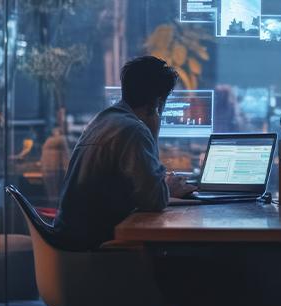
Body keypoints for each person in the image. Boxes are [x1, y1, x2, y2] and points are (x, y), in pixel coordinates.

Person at [53, 56, 196, 251]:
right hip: (95, 249)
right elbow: (154, 200)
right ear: (158, 102)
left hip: (71, 241)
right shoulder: (133, 130)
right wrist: (168, 187)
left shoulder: (103, 120)